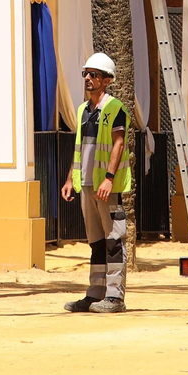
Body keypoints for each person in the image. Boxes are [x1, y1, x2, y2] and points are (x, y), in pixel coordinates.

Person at [60, 52, 132, 314]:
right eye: (86, 74)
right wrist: (70, 179)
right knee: (96, 242)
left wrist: (109, 179)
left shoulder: (116, 109)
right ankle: (95, 294)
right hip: (87, 185)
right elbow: (80, 148)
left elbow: (119, 143)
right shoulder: (81, 110)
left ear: (107, 80)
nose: (88, 78)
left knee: (113, 240)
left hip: (106, 187)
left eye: (94, 75)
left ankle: (115, 297)